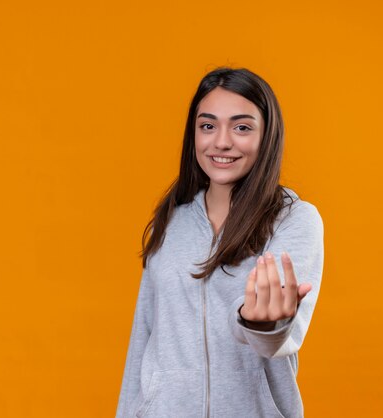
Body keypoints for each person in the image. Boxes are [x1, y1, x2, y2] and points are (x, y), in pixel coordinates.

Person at [116, 67, 324, 418]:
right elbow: (144, 338)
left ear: (267, 135)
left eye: (242, 127)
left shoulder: (293, 219)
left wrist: (259, 321)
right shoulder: (170, 221)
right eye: (208, 126)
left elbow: (274, 339)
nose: (221, 142)